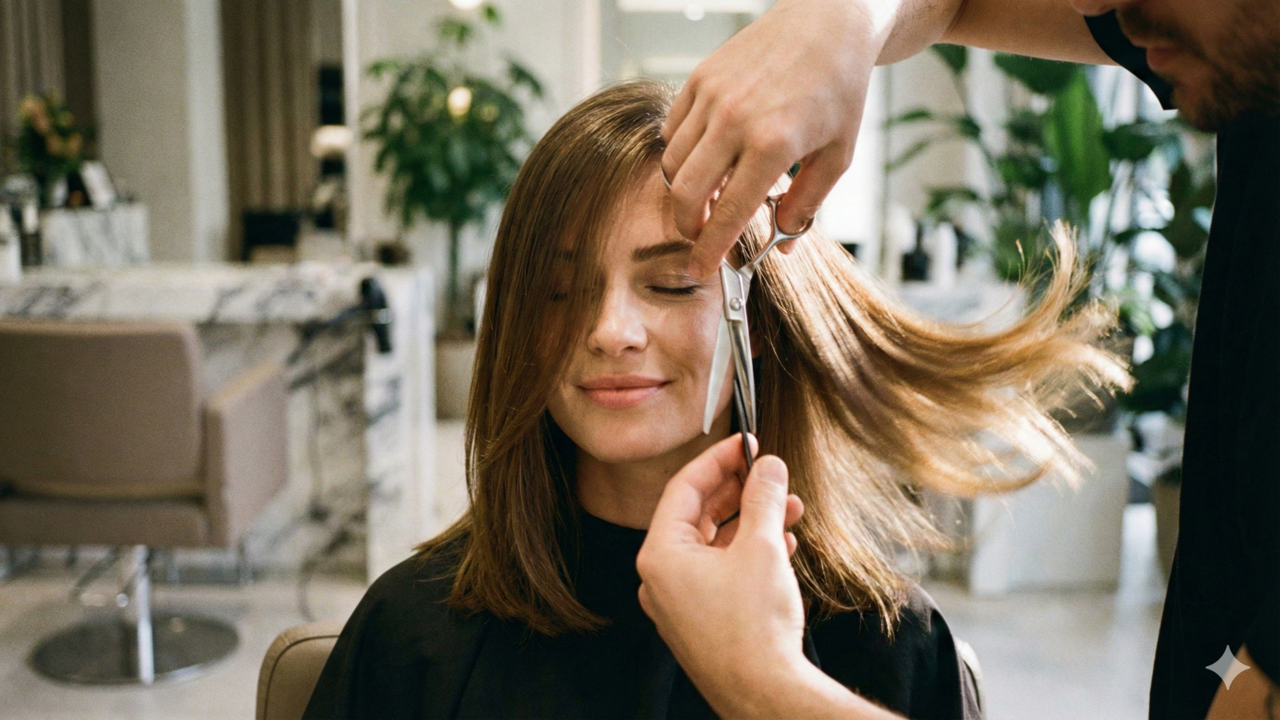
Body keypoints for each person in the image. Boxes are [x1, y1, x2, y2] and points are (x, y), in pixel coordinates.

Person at [303, 80, 1122, 719]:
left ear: (757, 322)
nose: (610, 329)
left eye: (670, 282)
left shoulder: (887, 647)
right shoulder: (409, 638)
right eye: (558, 292)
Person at [639, 0, 1280, 718]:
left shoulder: (896, 647)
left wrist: (760, 684)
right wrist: (846, 19)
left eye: (667, 282)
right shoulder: (1243, 62)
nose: (1088, 4)